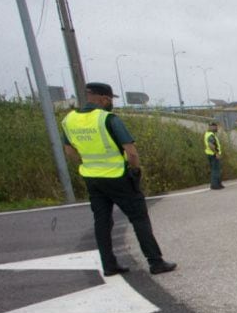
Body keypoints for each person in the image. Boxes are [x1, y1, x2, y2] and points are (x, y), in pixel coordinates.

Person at [61, 82, 177, 276]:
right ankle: (155, 262)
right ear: (104, 98)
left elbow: (69, 151)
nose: (110, 103)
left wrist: (87, 163)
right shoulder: (108, 119)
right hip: (118, 177)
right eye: (109, 99)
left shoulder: (69, 120)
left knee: (102, 222)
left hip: (92, 178)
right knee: (139, 218)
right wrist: (135, 170)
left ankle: (109, 265)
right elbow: (131, 152)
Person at [204, 121, 224, 189]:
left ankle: (218, 184)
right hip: (213, 154)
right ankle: (215, 185)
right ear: (212, 127)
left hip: (211, 154)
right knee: (215, 170)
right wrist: (216, 153)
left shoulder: (209, 134)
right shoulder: (210, 135)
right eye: (215, 127)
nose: (216, 128)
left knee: (216, 169)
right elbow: (211, 145)